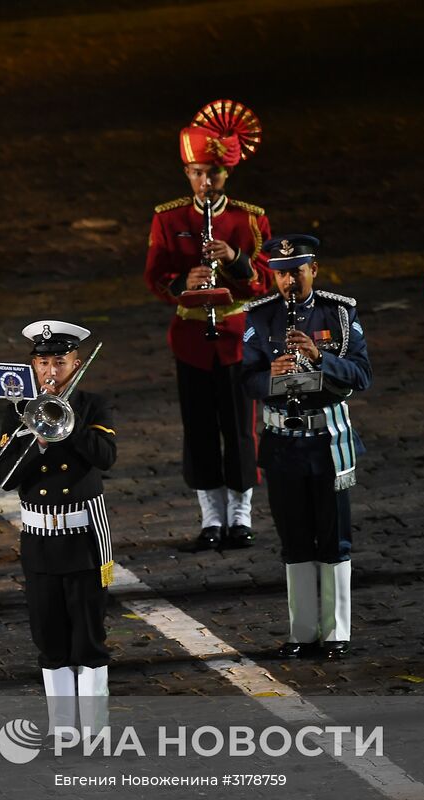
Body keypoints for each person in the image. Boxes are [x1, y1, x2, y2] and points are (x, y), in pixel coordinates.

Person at [144, 100, 272, 552]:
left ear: (226, 174)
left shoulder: (248, 218)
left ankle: (241, 515)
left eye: (212, 173)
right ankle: (210, 517)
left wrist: (235, 260)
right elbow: (154, 276)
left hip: (237, 337)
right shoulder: (169, 217)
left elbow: (270, 279)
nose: (204, 182)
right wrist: (183, 282)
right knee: (198, 427)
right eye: (197, 172)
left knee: (239, 427)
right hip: (191, 337)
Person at [241, 236, 371, 660]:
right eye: (281, 273)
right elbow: (245, 380)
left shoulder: (340, 311)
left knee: (334, 539)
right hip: (283, 443)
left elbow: (362, 375)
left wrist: (320, 358)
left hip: (328, 442)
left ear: (314, 268)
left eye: (296, 270)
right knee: (294, 538)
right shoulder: (260, 318)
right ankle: (302, 631)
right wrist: (271, 375)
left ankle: (336, 633)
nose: (288, 280)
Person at [0, 321, 117, 727]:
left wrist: (66, 423)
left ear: (76, 364)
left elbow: (105, 457)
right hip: (40, 539)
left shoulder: (92, 404)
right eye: (42, 361)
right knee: (49, 635)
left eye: (59, 362)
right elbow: (5, 479)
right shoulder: (18, 412)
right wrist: (36, 438)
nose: (50, 371)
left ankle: (94, 726)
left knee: (88, 634)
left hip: (84, 536)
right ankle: (63, 727)